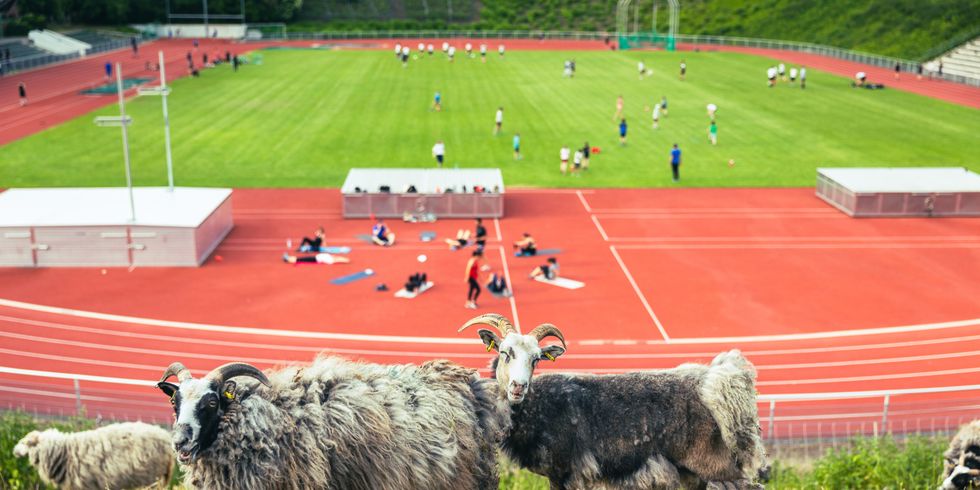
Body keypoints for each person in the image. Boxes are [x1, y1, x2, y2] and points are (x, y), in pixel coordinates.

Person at [282, 252, 350, 265]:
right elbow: (338, 258)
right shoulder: (331, 257)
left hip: (315, 259)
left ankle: (287, 259)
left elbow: (338, 260)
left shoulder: (331, 260)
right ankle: (288, 258)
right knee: (300, 258)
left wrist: (345, 260)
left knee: (300, 259)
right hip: (315, 257)